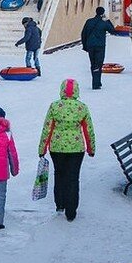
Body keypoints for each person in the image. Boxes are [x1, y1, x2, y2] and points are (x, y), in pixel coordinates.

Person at [38, 78, 95, 222]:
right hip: (76, 149)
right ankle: (71, 210)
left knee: (60, 174)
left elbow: (47, 129)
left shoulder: (54, 106)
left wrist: (42, 148)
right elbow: (88, 130)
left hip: (57, 148)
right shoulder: (82, 107)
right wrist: (91, 148)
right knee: (73, 178)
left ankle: (60, 203)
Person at [80, 6, 115, 89]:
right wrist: (108, 20)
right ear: (103, 13)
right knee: (98, 64)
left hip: (90, 46)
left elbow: (83, 34)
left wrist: (85, 45)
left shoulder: (89, 21)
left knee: (93, 64)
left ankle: (97, 82)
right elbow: (112, 30)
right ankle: (96, 83)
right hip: (100, 46)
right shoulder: (104, 23)